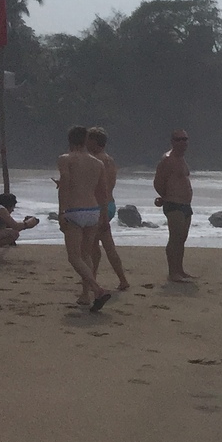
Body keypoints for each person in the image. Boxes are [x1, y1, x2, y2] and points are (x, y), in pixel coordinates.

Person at [58, 124, 111, 310]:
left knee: (74, 257)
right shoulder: (98, 163)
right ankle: (85, 295)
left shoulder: (66, 159)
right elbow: (103, 191)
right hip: (93, 210)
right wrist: (103, 215)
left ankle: (97, 289)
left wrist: (61, 210)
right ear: (86, 140)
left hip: (75, 210)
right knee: (85, 254)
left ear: (70, 140)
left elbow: (65, 182)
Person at [86, 126, 131, 291]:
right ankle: (122, 279)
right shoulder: (109, 160)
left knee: (93, 248)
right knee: (107, 245)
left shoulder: (98, 160)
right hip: (108, 204)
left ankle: (92, 281)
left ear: (95, 142)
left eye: (88, 140)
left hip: (100, 206)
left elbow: (100, 188)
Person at [153, 129, 195, 283]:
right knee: (175, 238)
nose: (183, 142)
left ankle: (180, 269)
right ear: (172, 141)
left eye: (185, 139)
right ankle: (173, 272)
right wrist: (165, 196)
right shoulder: (168, 159)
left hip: (186, 204)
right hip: (174, 203)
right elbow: (158, 181)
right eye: (179, 139)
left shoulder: (182, 159)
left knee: (182, 238)